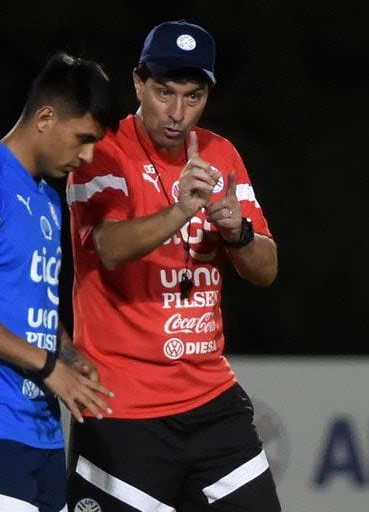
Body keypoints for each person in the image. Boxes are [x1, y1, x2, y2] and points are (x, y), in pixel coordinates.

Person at [65, 20, 281, 512]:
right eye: (163, 92)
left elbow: (265, 269)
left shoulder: (221, 153)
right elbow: (109, 247)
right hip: (122, 407)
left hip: (210, 398)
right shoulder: (102, 151)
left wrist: (237, 232)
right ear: (137, 83)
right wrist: (183, 209)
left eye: (193, 96)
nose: (176, 113)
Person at [0, 52, 118, 512]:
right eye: (83, 139)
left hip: (41, 430)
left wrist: (70, 357)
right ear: (46, 118)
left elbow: (33, 303)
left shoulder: (47, 199)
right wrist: (49, 367)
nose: (88, 156)